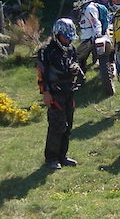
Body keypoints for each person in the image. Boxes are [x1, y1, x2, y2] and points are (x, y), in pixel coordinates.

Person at [36, 18, 84, 170]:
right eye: (65, 37)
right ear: (57, 35)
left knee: (68, 125)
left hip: (69, 91)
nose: (68, 40)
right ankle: (51, 158)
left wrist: (76, 70)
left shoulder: (71, 49)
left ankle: (63, 156)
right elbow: (41, 73)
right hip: (54, 93)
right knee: (57, 126)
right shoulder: (46, 51)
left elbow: (76, 64)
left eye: (70, 37)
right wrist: (45, 93)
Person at [69, 0, 115, 95]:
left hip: (90, 38)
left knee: (75, 57)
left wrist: (97, 34)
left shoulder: (89, 8)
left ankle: (80, 79)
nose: (76, 1)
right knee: (81, 59)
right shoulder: (87, 7)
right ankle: (82, 78)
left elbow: (95, 22)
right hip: (92, 37)